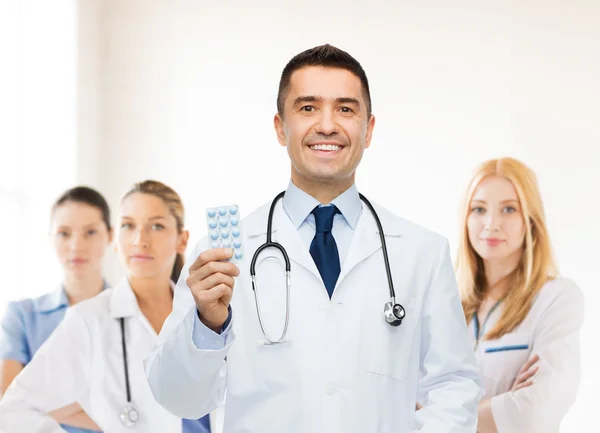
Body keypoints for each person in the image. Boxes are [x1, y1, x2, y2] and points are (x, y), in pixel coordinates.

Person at [145, 44, 482, 433]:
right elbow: (178, 398)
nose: (327, 125)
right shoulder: (221, 256)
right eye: (307, 108)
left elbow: (454, 384)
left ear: (368, 129)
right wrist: (206, 323)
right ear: (280, 127)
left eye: (346, 109)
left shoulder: (422, 252)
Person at [0, 180, 219, 433]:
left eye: (157, 226)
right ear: (116, 239)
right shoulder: (88, 319)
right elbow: (13, 409)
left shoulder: (205, 316)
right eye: (128, 226)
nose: (140, 240)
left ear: (182, 240)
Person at [456, 157, 584, 433]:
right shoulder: (446, 304)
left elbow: (535, 412)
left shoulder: (556, 299)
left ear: (530, 220)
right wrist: (500, 407)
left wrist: (445, 416)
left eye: (509, 209)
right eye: (478, 209)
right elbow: (402, 404)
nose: (491, 223)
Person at [0, 186, 112, 432]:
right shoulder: (23, 316)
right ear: (50, 237)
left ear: (110, 236)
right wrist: (114, 416)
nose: (76, 245)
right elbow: (9, 404)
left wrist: (45, 406)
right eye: (64, 233)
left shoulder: (132, 312)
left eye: (90, 232)